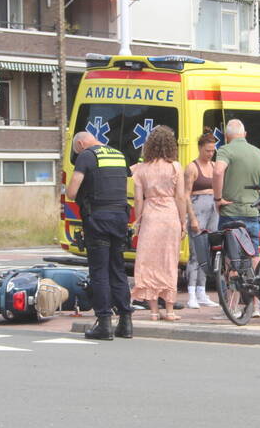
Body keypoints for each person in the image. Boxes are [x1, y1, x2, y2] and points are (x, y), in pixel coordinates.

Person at [65, 131, 133, 340]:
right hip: (120, 218)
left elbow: (72, 192)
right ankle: (125, 323)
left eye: (77, 150)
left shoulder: (87, 155)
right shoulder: (118, 154)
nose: (79, 153)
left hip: (98, 220)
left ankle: (104, 323)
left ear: (82, 143)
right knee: (118, 270)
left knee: (99, 272)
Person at [130, 125, 187, 321]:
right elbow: (180, 197)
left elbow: (138, 199)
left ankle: (153, 311)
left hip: (150, 216)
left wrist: (138, 220)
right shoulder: (175, 167)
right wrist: (183, 221)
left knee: (148, 261)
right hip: (170, 215)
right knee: (169, 261)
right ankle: (170, 310)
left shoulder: (141, 169)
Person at [212, 119, 260, 268]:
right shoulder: (257, 152)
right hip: (252, 212)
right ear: (245, 134)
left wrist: (218, 199)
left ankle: (232, 286)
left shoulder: (225, 150)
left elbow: (218, 172)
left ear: (226, 136)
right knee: (254, 253)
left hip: (230, 211)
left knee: (231, 253)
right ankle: (255, 286)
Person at [184, 132, 220, 309]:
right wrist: (191, 218)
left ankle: (202, 291)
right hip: (198, 208)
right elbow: (185, 195)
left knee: (207, 252)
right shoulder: (192, 167)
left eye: (213, 150)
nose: (210, 154)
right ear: (200, 148)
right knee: (195, 253)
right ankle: (191, 292)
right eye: (207, 150)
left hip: (212, 209)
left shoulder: (214, 166)